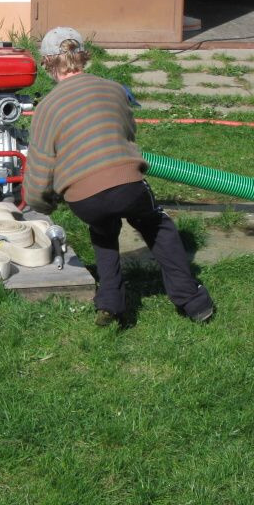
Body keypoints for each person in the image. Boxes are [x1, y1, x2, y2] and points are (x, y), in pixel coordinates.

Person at [23, 26, 215, 327]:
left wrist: (42, 204)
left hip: (83, 197)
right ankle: (193, 301)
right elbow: (128, 133)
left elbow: (40, 167)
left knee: (102, 229)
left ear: (47, 64)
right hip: (127, 183)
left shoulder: (46, 108)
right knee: (156, 225)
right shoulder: (113, 89)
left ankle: (110, 301)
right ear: (83, 56)